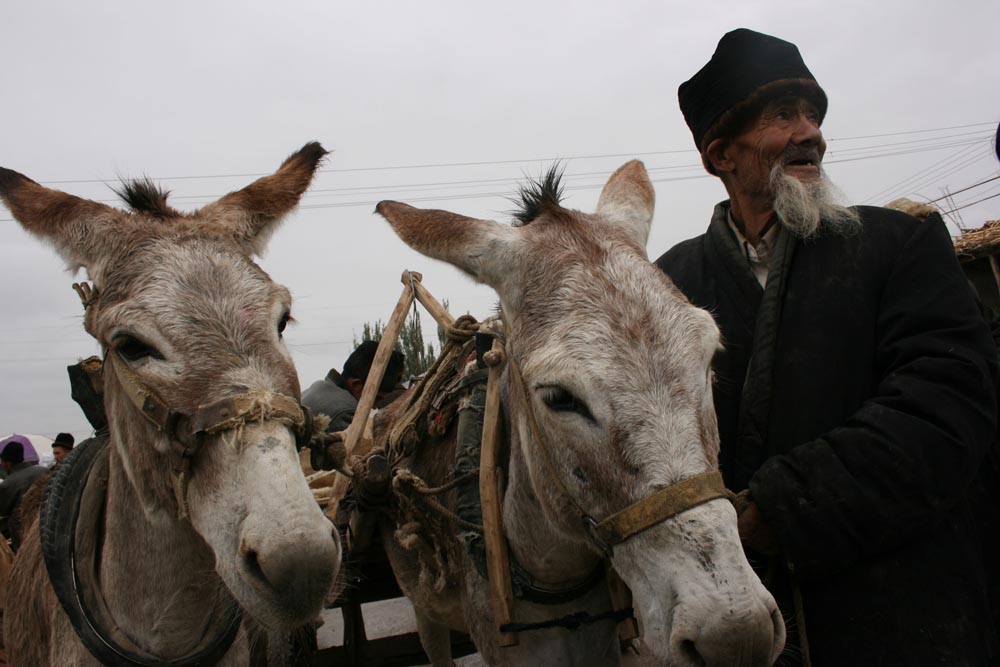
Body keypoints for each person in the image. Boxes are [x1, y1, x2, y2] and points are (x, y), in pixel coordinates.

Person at [655, 28, 999, 666]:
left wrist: (778, 509)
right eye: (782, 115)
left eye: (813, 114)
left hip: (907, 619)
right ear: (721, 155)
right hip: (741, 626)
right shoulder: (671, 285)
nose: (809, 132)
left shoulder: (899, 245)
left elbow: (945, 408)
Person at [302, 340, 406, 434]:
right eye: (377, 398)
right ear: (356, 384)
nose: (375, 407)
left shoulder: (319, 386)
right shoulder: (346, 413)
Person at [0, 441, 46, 550]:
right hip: (48, 529)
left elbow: (2, 513)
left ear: (8, 463)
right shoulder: (44, 471)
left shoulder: (7, 484)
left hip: (24, 540)